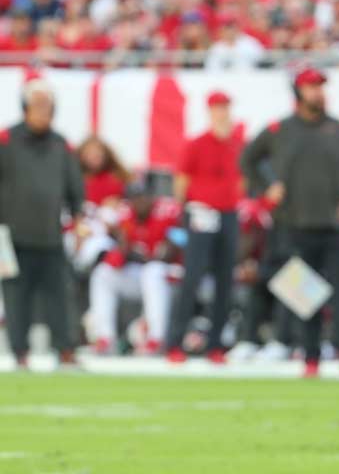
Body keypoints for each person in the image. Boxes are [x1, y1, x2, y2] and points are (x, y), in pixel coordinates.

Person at [241, 67, 339, 378]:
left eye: (320, 86)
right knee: (304, 296)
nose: (319, 92)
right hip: (292, 225)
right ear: (298, 92)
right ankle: (310, 357)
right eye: (312, 87)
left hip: (335, 227)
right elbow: (248, 159)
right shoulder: (279, 130)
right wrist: (267, 188)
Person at [0, 79, 84, 368]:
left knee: (59, 295)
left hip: (50, 233)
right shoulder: (6, 140)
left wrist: (79, 218)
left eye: (47, 106)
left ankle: (65, 350)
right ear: (25, 107)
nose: (42, 112)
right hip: (9, 234)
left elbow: (74, 187)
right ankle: (19, 353)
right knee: (15, 295)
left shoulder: (61, 144)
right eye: (37, 105)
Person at [166, 91, 243, 364]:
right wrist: (187, 212)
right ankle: (174, 341)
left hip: (228, 213)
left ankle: (216, 344)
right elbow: (181, 181)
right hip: (201, 212)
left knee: (225, 279)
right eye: (217, 108)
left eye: (225, 107)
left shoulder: (236, 144)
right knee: (192, 276)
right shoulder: (197, 144)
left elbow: (241, 179)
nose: (222, 113)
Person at [88, 181, 179, 355]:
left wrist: (147, 256)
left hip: (171, 277)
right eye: (135, 199)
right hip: (142, 275)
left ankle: (156, 339)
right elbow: (122, 250)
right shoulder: (126, 216)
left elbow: (172, 250)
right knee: (102, 274)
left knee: (153, 271)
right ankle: (105, 338)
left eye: (143, 197)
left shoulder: (168, 212)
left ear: (152, 197)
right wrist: (124, 245)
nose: (139, 203)